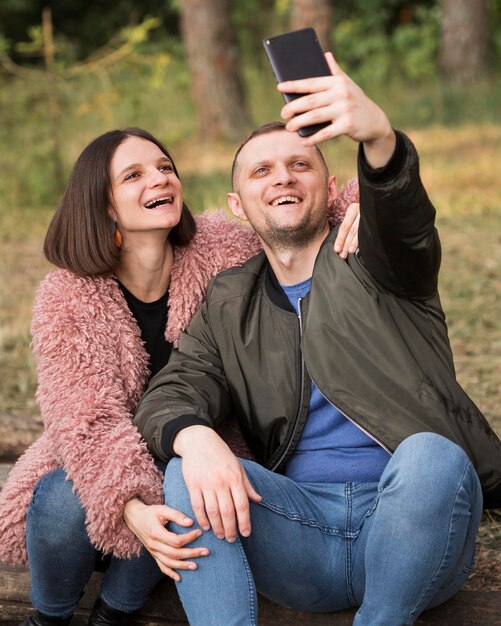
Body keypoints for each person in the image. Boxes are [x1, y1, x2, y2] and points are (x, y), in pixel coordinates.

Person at [134, 53, 501, 626]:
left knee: (431, 453)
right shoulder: (230, 300)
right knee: (188, 468)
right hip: (299, 531)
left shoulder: (378, 259)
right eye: (261, 171)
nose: (281, 176)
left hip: (414, 522)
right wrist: (192, 435)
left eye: (298, 164)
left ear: (329, 187)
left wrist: (378, 138)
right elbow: (173, 389)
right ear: (237, 207)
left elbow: (404, 221)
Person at [0, 127, 359, 626]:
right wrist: (130, 509)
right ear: (102, 205)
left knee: (183, 487)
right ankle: (50, 616)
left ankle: (116, 613)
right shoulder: (68, 294)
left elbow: (292, 209)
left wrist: (366, 207)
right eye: (134, 175)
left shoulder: (221, 248)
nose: (160, 179)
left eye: (165, 167)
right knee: (61, 500)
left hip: (197, 452)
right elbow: (85, 418)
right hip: (100, 459)